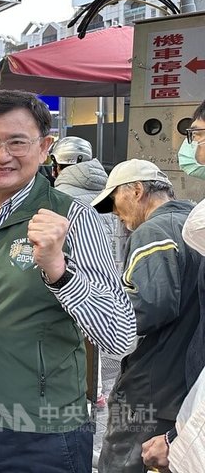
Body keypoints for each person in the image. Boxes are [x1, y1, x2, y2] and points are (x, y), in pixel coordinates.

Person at [0, 89, 136, 473]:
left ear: (44, 147)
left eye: (18, 142)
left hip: (45, 431)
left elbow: (120, 335)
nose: (2, 156)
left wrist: (59, 270)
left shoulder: (73, 218)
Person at [89, 159, 201, 472]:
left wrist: (100, 309)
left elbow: (152, 306)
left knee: (124, 462)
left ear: (137, 191)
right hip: (188, 382)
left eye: (115, 201)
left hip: (153, 383)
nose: (115, 213)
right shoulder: (193, 221)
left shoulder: (153, 231)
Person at [141, 100, 205, 472]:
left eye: (196, 134)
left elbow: (152, 306)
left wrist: (179, 443)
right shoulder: (186, 213)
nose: (192, 147)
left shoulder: (155, 231)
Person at [51, 135, 131, 408]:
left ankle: (90, 391)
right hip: (114, 280)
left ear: (56, 165)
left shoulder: (59, 200)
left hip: (72, 288)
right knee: (108, 341)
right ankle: (104, 391)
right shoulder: (109, 196)